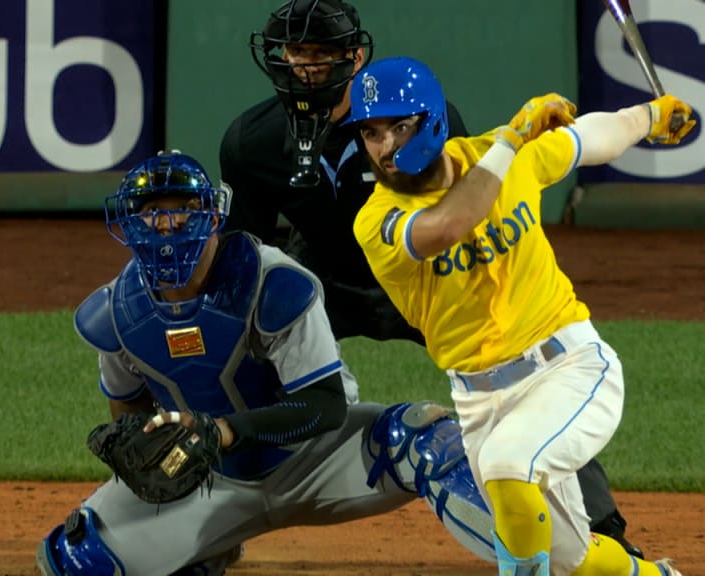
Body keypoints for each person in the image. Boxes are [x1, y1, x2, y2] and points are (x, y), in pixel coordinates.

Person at [219, 0, 646, 559]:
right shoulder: (249, 143)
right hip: (330, 277)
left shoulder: (417, 118)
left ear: (355, 57)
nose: (306, 67)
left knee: (531, 387)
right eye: (297, 53)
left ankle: (602, 528)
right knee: (242, 356)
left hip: (429, 278)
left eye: (321, 54)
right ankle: (223, 516)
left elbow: (467, 213)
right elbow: (248, 252)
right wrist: (268, 324)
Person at [36, 150, 502, 575]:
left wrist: (222, 432)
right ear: (130, 222)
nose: (166, 224)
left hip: (317, 461)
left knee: (424, 440)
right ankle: (204, 552)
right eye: (152, 211)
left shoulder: (272, 282)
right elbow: (129, 412)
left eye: (182, 209)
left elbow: (325, 407)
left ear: (213, 215)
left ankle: (540, 560)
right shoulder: (115, 315)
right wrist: (151, 457)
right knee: (76, 558)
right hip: (212, 484)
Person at [345, 56, 695, 575]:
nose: (385, 147)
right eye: (371, 133)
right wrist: (512, 139)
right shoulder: (378, 220)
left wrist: (649, 116)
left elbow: (589, 138)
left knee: (511, 465)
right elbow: (448, 225)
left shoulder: (500, 155)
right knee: (572, 560)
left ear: (432, 118)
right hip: (480, 404)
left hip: (569, 367)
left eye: (399, 126)